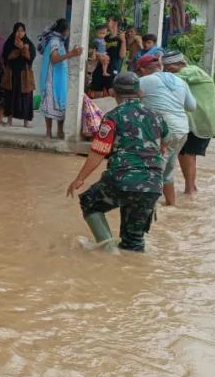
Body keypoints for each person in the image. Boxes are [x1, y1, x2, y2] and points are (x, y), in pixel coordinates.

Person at [67, 72, 168, 252]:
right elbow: (164, 145)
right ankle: (128, 270)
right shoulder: (157, 116)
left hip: (121, 179)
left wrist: (80, 179)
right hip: (152, 185)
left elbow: (99, 151)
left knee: (90, 201)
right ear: (140, 92)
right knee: (134, 243)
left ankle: (107, 250)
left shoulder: (113, 116)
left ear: (114, 92)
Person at [137, 52, 195, 206]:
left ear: (142, 70)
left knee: (154, 169)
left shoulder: (143, 81)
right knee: (168, 169)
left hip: (163, 131)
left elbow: (128, 99)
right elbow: (192, 106)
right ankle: (171, 205)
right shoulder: (180, 81)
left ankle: (148, 209)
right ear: (160, 66)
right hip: (182, 129)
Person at [162, 50, 215, 195]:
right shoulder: (187, 74)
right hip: (194, 122)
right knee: (184, 154)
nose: (167, 71)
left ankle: (190, 189)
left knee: (188, 154)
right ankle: (191, 188)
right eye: (165, 68)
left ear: (181, 63)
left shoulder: (192, 71)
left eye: (169, 68)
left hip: (199, 123)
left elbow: (168, 80)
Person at [38, 18, 83, 139]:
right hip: (52, 78)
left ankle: (59, 131)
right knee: (50, 104)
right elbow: (54, 59)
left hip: (58, 78)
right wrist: (72, 54)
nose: (69, 32)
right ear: (63, 30)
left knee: (60, 106)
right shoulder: (54, 41)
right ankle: (49, 132)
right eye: (68, 30)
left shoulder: (59, 41)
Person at [0, 22, 35, 127]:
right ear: (14, 32)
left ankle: (26, 122)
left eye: (22, 30)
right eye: (18, 30)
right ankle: (9, 121)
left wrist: (22, 48)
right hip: (12, 74)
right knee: (10, 96)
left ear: (25, 32)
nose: (20, 33)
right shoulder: (9, 43)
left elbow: (31, 57)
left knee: (26, 97)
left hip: (25, 74)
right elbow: (6, 57)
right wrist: (17, 50)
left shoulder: (28, 43)